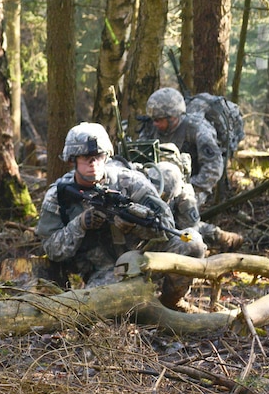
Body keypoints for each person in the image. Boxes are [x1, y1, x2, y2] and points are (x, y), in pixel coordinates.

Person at [37, 123, 206, 309]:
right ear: (72, 160)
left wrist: (135, 226)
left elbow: (166, 224)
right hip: (106, 272)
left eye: (99, 157)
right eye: (86, 158)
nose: (93, 163)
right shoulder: (58, 195)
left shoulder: (130, 182)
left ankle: (171, 303)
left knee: (192, 242)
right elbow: (51, 249)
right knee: (90, 308)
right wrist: (79, 225)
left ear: (106, 156)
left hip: (145, 257)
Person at [139, 87, 243, 251]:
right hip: (161, 183)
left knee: (177, 218)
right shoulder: (152, 128)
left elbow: (214, 167)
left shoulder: (197, 129)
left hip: (194, 184)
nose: (155, 123)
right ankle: (219, 236)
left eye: (159, 120)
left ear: (173, 117)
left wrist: (192, 188)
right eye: (154, 119)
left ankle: (213, 241)